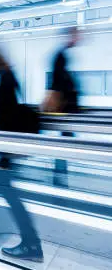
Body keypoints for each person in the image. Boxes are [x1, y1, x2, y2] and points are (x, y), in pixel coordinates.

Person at [0, 40, 43, 262]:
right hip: (6, 145)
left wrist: (6, 154)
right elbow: (9, 104)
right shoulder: (6, 73)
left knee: (11, 194)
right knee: (4, 189)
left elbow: (7, 112)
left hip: (7, 146)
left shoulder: (5, 75)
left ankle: (32, 243)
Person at [46, 26, 81, 187]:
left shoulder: (61, 55)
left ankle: (60, 170)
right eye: (75, 35)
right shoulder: (60, 55)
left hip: (64, 105)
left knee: (65, 137)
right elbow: (58, 81)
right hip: (64, 106)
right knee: (65, 138)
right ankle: (60, 173)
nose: (78, 38)